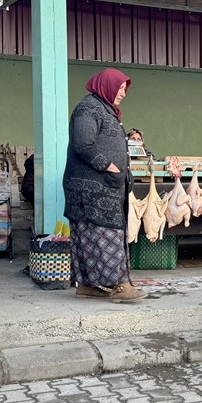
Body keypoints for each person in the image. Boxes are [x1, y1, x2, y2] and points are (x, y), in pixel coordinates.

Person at [63, 68, 145, 303]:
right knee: (105, 235)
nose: (123, 94)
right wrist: (109, 165)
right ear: (106, 86)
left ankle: (88, 285)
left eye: (124, 90)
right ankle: (120, 286)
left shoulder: (106, 110)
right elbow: (83, 145)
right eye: (120, 89)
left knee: (93, 236)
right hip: (90, 190)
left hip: (105, 188)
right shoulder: (88, 109)